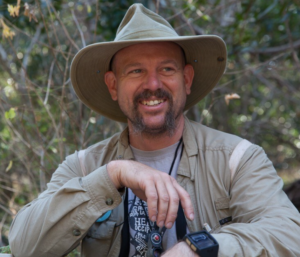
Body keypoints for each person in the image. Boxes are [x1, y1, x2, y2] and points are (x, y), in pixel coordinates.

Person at [8, 4, 300, 257]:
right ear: (113, 85)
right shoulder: (84, 166)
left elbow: (290, 236)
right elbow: (24, 246)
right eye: (135, 71)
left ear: (186, 79)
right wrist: (112, 175)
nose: (152, 84)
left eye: (167, 70)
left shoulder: (237, 160)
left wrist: (202, 247)